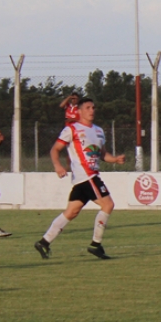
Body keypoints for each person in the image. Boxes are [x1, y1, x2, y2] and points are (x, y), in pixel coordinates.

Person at [34, 98, 125, 260]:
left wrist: (115, 159)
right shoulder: (72, 129)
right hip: (87, 176)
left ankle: (44, 242)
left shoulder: (98, 131)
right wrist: (58, 165)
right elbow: (55, 149)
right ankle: (95, 245)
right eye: (88, 107)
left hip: (84, 178)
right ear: (79, 111)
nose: (92, 110)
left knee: (71, 212)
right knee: (108, 204)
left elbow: (103, 154)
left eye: (93, 107)